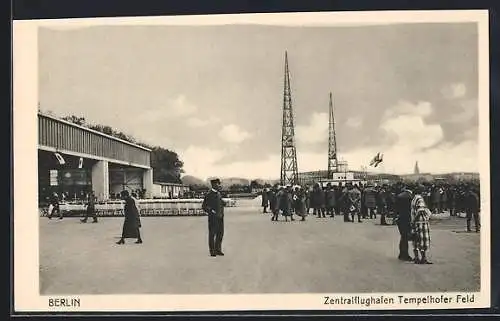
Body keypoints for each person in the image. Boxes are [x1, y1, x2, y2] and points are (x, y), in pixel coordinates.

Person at [202, 178, 225, 256]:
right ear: (214, 185)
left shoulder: (219, 194)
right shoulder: (208, 195)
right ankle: (212, 251)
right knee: (212, 234)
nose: (219, 185)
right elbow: (204, 206)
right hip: (213, 218)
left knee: (220, 234)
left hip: (220, 217)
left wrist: (223, 204)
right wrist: (211, 211)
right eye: (218, 184)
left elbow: (220, 203)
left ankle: (218, 249)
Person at [410, 186, 433, 264]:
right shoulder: (420, 199)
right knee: (423, 240)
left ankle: (416, 258)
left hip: (415, 222)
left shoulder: (414, 199)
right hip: (421, 222)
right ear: (421, 192)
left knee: (416, 240)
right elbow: (421, 210)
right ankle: (423, 258)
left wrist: (413, 221)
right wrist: (415, 219)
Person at [395, 184, 413, 261]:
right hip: (407, 218)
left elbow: (396, 208)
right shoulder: (410, 197)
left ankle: (401, 253)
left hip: (400, 218)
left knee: (403, 236)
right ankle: (405, 255)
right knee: (405, 236)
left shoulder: (400, 195)